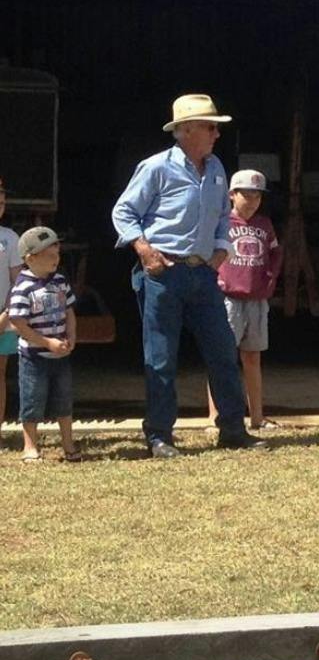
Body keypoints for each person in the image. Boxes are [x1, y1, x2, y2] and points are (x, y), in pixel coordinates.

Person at [111, 94, 265, 458]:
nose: (216, 133)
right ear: (185, 131)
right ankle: (159, 436)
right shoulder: (156, 168)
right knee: (162, 356)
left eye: (216, 127)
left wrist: (221, 249)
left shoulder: (215, 169)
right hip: (164, 274)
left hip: (203, 275)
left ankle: (232, 429)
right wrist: (144, 250)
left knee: (223, 351)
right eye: (210, 127)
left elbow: (222, 218)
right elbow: (123, 212)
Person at [207, 169, 283, 431]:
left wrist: (271, 278)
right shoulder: (221, 223)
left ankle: (257, 417)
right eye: (246, 196)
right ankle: (216, 417)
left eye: (257, 197)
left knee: (253, 357)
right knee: (221, 357)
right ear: (231, 195)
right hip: (228, 298)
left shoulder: (265, 225)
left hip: (256, 298)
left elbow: (275, 254)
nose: (252, 202)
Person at [6, 226, 78, 463]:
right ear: (30, 258)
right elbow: (19, 324)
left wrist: (71, 337)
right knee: (32, 401)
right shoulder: (23, 287)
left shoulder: (60, 281)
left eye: (57, 255)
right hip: (33, 358)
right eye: (50, 256)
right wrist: (46, 342)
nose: (55, 260)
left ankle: (68, 443)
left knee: (64, 401)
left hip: (61, 356)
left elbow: (69, 312)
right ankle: (30, 445)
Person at [0, 176, 21, 424]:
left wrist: (7, 312)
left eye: (3, 202)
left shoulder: (10, 238)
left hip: (3, 315)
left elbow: (18, 281)